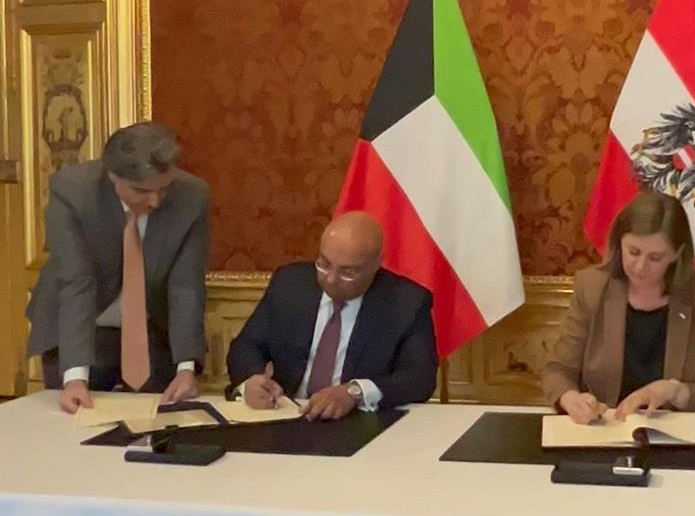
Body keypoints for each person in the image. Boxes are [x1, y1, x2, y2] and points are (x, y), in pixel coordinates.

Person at [27, 121, 209, 413]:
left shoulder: (192, 196)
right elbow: (76, 282)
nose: (155, 200)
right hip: (82, 329)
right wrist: (74, 377)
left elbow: (186, 286)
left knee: (159, 424)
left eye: (164, 188)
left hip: (152, 335)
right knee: (75, 427)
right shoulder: (73, 191)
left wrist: (186, 368)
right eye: (141, 191)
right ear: (112, 176)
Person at [542, 190, 695, 423]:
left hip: (674, 435)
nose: (639, 267)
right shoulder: (592, 287)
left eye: (655, 258)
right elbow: (558, 371)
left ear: (677, 254)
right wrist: (570, 397)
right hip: (604, 430)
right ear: (619, 243)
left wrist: (675, 391)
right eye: (633, 252)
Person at [226, 211, 437, 420]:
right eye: (324, 264)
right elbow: (246, 345)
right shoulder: (289, 284)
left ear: (376, 264)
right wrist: (252, 381)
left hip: (359, 422)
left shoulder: (407, 302)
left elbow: (419, 378)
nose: (331, 279)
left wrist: (354, 392)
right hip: (287, 414)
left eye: (347, 272)